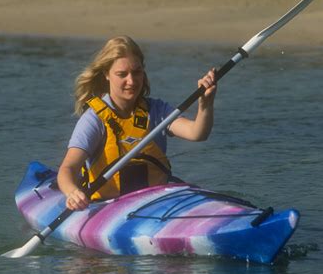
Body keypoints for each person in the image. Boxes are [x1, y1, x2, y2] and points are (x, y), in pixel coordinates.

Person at [58, 36, 217, 211]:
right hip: (107, 207)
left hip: (156, 204)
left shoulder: (156, 110)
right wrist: (72, 192)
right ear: (106, 74)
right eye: (122, 74)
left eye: (137, 72)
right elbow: (68, 168)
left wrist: (205, 105)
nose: (132, 81)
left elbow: (197, 133)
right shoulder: (94, 119)